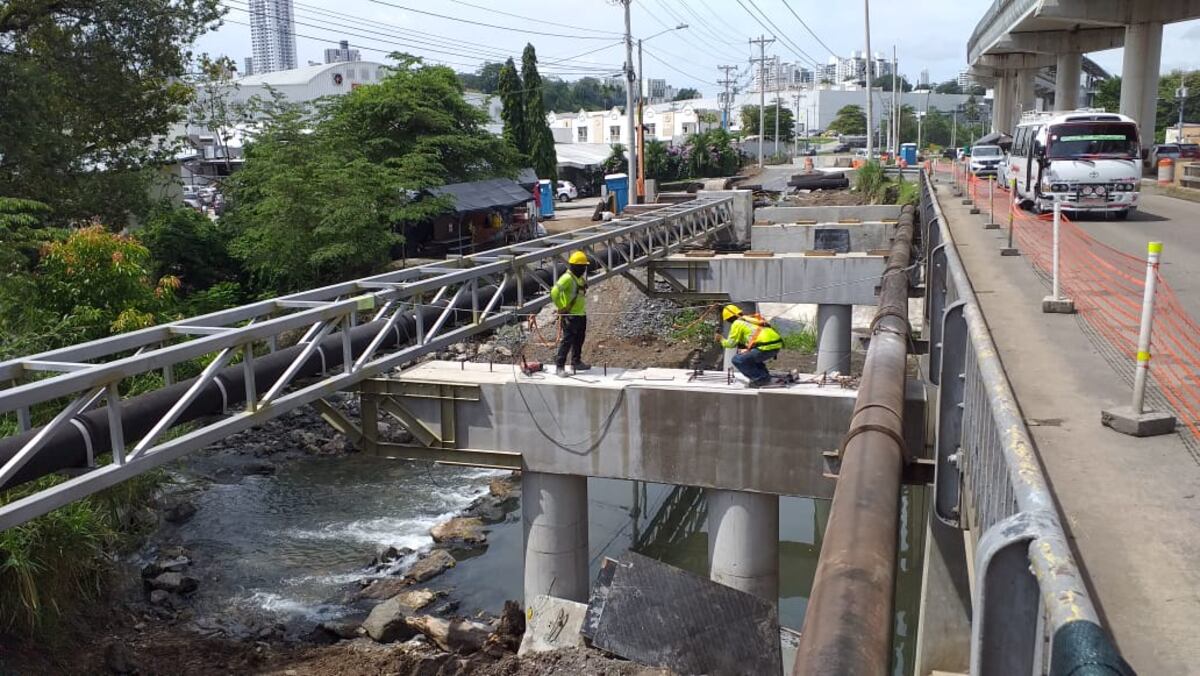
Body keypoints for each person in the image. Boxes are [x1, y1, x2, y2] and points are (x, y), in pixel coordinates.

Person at [716, 304, 783, 388]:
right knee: (750, 358)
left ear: (729, 319)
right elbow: (753, 336)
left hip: (765, 346)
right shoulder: (750, 319)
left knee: (738, 359)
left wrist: (721, 339)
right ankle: (765, 376)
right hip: (775, 345)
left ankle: (760, 380)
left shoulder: (737, 323)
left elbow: (730, 344)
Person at [551, 251, 592, 376]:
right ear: (576, 267)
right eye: (583, 266)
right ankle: (560, 366)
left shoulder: (579, 278)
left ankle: (576, 362)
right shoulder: (567, 278)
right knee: (567, 341)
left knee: (579, 339)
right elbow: (554, 292)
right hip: (570, 315)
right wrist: (561, 307)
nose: (584, 269)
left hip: (580, 314)